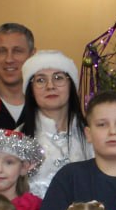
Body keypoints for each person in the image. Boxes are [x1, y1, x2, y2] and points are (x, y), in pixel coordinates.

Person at [18, 50, 92, 197]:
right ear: (31, 90)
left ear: (71, 85)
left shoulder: (91, 136)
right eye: (40, 80)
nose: (50, 86)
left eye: (58, 78)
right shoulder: (18, 138)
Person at [0, 23, 36, 130]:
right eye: (2, 51)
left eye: (17, 51)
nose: (9, 59)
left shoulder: (48, 104)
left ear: (32, 55)